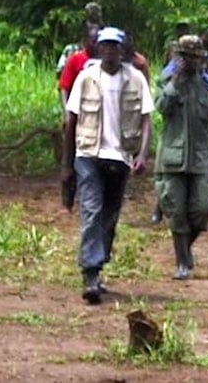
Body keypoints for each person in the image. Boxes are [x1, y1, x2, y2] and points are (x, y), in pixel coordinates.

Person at [61, 27, 153, 304]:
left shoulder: (135, 79)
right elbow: (71, 120)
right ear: (99, 49)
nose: (111, 51)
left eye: (116, 46)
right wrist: (67, 165)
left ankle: (98, 264)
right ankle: (90, 273)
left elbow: (147, 120)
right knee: (91, 210)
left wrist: (143, 154)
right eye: (106, 46)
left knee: (110, 216)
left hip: (121, 156)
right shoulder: (86, 78)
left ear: (123, 50)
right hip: (88, 154)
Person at [154, 35, 208, 280]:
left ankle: (185, 248)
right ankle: (181, 261)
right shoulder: (167, 81)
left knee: (204, 206)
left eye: (195, 58)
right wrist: (176, 81)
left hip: (202, 157)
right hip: (173, 156)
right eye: (186, 57)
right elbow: (161, 108)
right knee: (176, 209)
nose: (191, 62)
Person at [58, 23, 100, 111]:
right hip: (78, 107)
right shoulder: (75, 59)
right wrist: (66, 113)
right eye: (93, 41)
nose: (96, 45)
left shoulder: (107, 61)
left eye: (99, 41)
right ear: (85, 41)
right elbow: (63, 88)